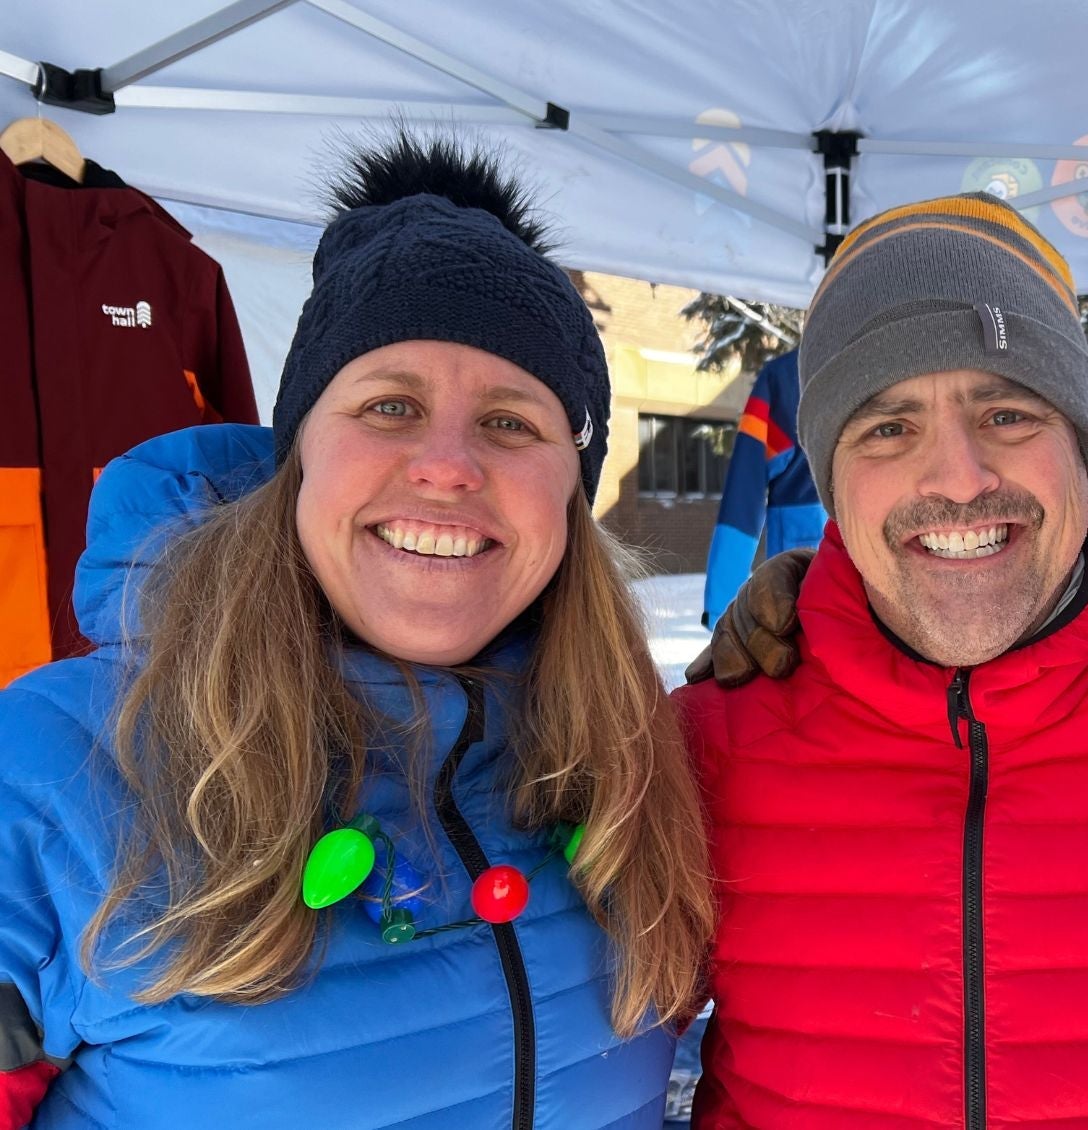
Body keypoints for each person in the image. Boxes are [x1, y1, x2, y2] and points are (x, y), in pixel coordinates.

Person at [0, 133, 714, 1128]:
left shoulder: (635, 760)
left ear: (571, 492)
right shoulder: (65, 766)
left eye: (511, 421)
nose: (447, 464)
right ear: (298, 458)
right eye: (389, 405)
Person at [675, 193, 1088, 1127]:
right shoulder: (709, 747)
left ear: (1082, 444)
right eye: (887, 427)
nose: (959, 479)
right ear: (832, 478)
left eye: (1007, 413)